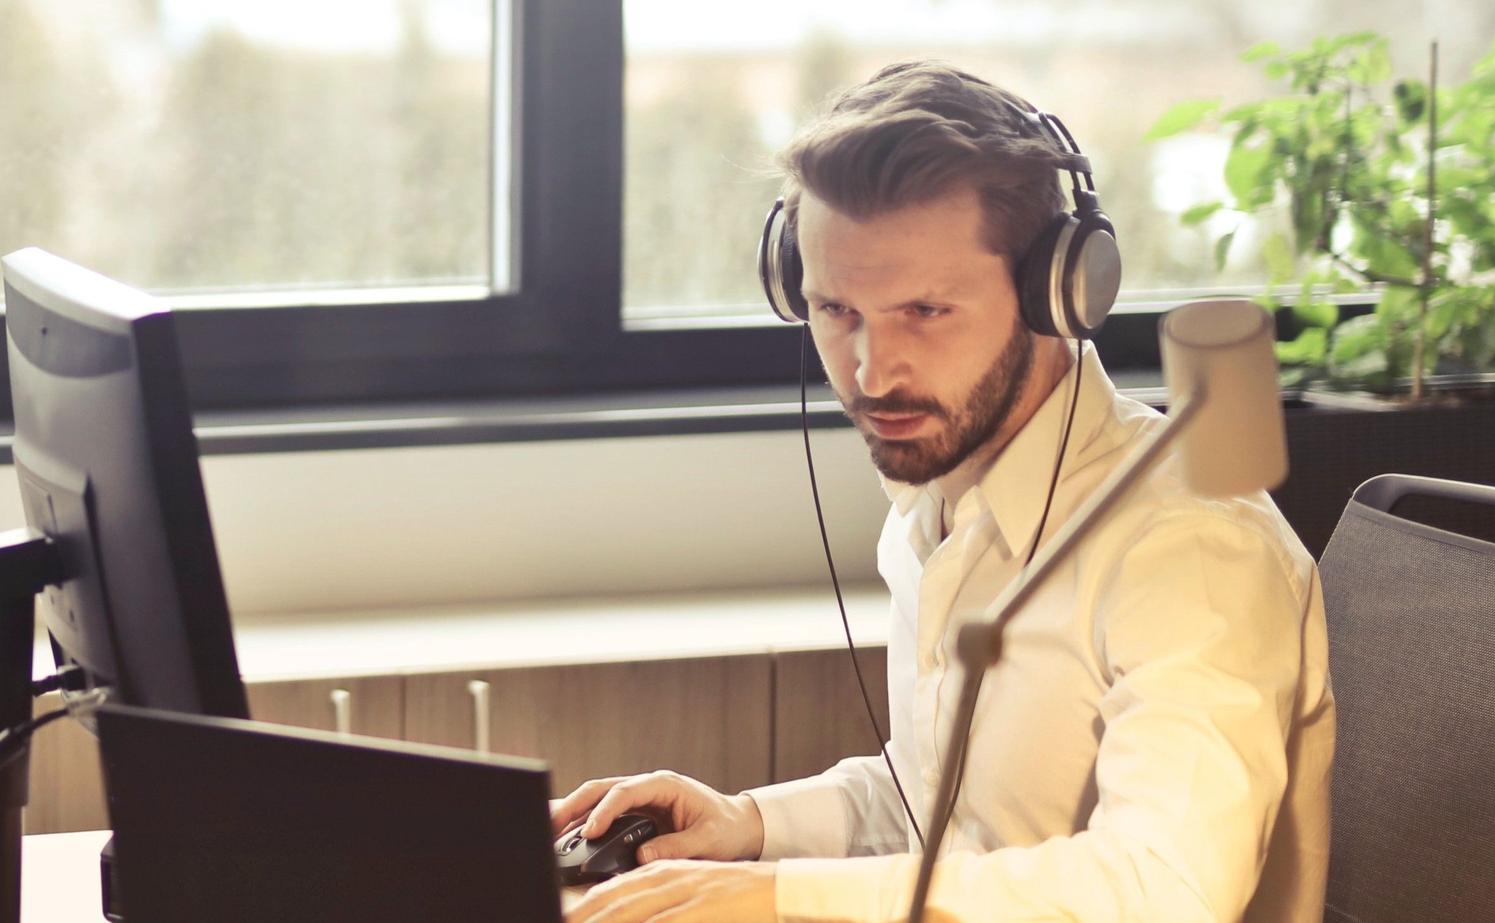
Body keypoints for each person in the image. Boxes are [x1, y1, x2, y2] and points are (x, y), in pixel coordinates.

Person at [556, 62, 1336, 923]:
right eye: (836, 309)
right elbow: (940, 812)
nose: (869, 369)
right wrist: (749, 826)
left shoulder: (1192, 543)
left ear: (1060, 293)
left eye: (924, 311)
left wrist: (776, 896)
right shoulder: (940, 501)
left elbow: (1167, 890)